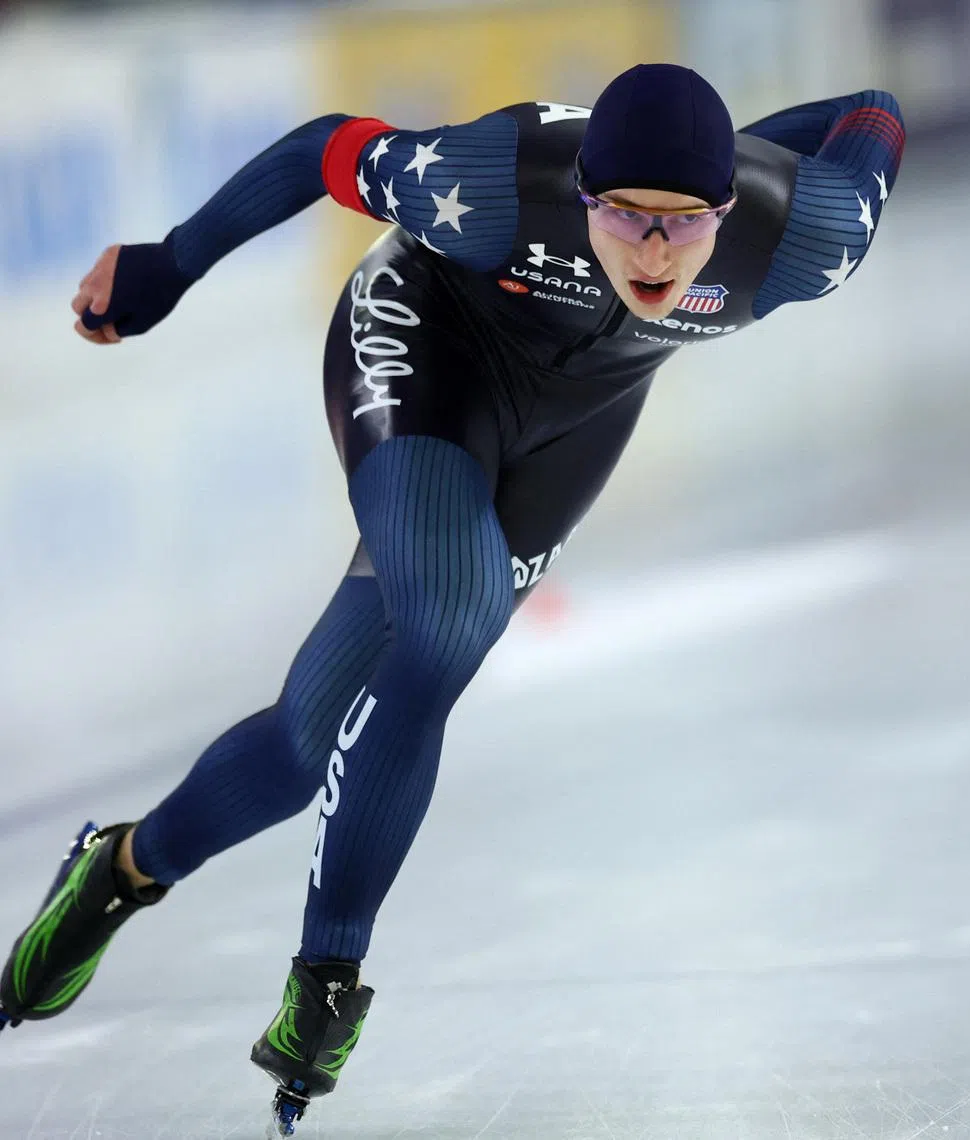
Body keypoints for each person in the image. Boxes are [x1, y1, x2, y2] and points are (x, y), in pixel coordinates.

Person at [0, 63, 905, 1131]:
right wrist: (170, 262)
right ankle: (328, 977)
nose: (654, 254)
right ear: (584, 198)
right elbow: (323, 146)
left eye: (683, 223)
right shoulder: (499, 181)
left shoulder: (811, 234)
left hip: (577, 421)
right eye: (623, 216)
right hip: (429, 346)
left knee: (302, 748)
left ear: (725, 208)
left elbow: (873, 116)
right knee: (447, 622)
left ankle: (117, 872)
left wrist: (730, 153)